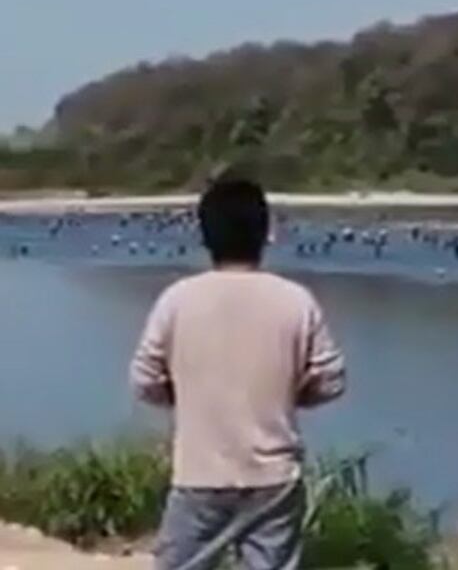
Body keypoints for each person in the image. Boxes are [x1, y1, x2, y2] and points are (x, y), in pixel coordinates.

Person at [130, 178, 346, 570]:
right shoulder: (296, 300)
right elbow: (331, 381)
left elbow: (144, 381)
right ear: (266, 233)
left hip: (200, 471)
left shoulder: (177, 300)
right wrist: (287, 395)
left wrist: (186, 395)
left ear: (204, 234)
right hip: (274, 476)